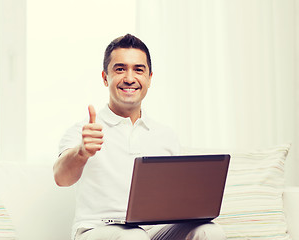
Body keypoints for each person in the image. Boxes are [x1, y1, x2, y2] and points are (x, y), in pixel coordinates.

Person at [53, 34, 226, 240]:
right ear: (105, 77)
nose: (129, 78)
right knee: (133, 237)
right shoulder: (84, 130)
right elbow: (61, 178)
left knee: (210, 231)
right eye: (120, 69)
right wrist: (82, 152)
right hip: (97, 230)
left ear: (149, 78)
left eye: (138, 69)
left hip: (154, 231)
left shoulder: (166, 136)